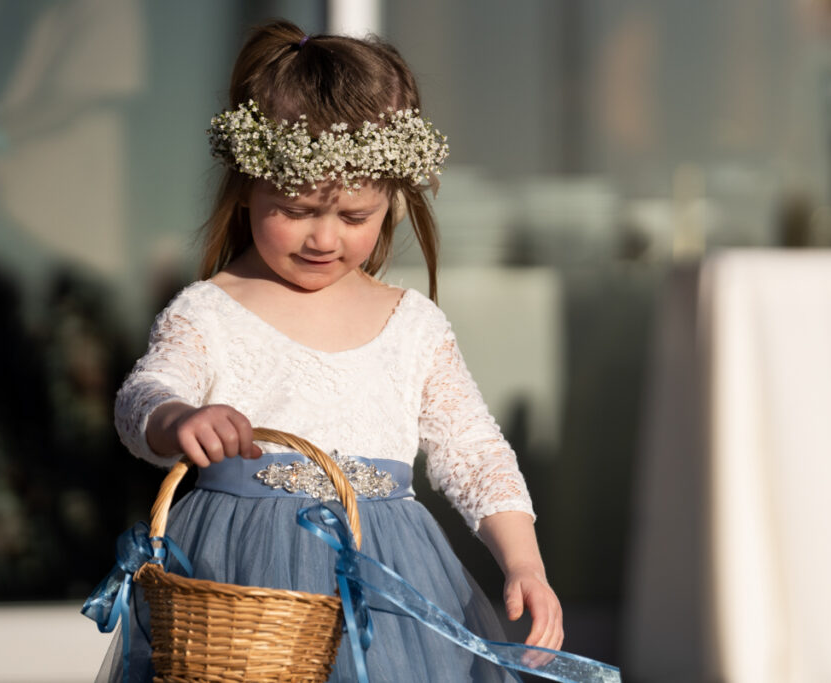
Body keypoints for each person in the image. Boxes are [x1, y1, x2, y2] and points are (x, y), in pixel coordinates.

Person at [97, 20, 563, 683]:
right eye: (294, 207)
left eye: (354, 217)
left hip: (386, 579)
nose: (323, 238)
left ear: (393, 204)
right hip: (241, 580)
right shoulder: (212, 309)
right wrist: (176, 420)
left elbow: (473, 449)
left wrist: (525, 562)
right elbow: (143, 394)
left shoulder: (413, 325)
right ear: (247, 186)